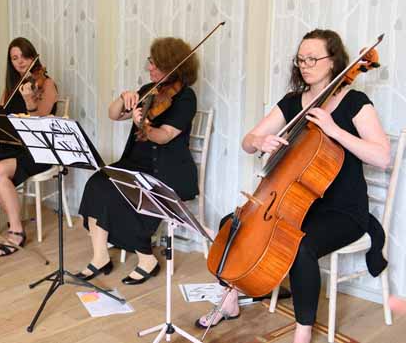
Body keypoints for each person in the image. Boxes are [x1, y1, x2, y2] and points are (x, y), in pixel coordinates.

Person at [195, 29, 390, 343]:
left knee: (300, 246)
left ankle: (303, 333)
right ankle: (229, 301)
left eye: (313, 58)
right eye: (301, 59)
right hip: (295, 203)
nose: (305, 64)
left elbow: (382, 156)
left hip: (343, 211)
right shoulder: (292, 103)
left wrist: (334, 130)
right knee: (231, 226)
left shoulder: (355, 102)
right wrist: (261, 140)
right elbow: (248, 141)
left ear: (334, 61)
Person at [75, 37, 199, 285]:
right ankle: (100, 257)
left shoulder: (186, 98)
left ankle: (147, 259)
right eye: (150, 63)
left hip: (166, 169)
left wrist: (142, 125)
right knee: (97, 183)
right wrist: (124, 98)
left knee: (127, 193)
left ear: (171, 66)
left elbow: (164, 137)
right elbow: (113, 114)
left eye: (154, 64)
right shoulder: (148, 91)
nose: (149, 68)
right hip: (134, 163)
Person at [0, 37, 58, 256]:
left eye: (25, 56)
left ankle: (17, 231)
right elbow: (3, 118)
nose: (20, 62)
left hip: (38, 148)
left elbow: (43, 121)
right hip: (11, 145)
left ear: (33, 56)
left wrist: (30, 102)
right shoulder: (11, 88)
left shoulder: (47, 84)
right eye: (15, 58)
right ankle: (15, 214)